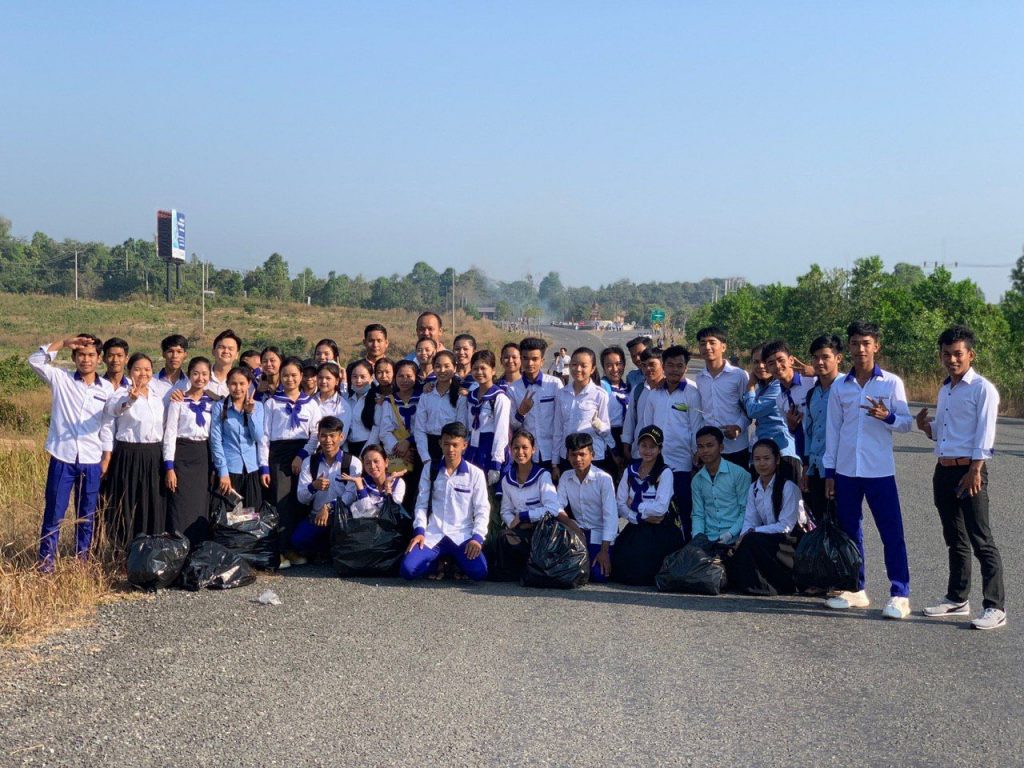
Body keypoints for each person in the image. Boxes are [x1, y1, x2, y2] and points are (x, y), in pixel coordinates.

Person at [917, 325, 1006, 630]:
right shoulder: (946, 389)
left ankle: (995, 606)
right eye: (946, 354)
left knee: (981, 539)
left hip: (970, 471)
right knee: (954, 538)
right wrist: (926, 428)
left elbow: (985, 433)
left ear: (971, 355)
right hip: (944, 469)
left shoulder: (982, 389)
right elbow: (944, 432)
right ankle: (957, 598)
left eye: (958, 354)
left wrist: (976, 470)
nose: (952, 359)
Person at [822, 321, 913, 619]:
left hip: (879, 470)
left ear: (876, 346)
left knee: (891, 532)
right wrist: (830, 473)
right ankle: (856, 588)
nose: (860, 349)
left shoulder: (891, 383)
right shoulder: (840, 386)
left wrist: (888, 417)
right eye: (855, 343)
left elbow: (906, 424)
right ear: (848, 347)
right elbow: (833, 430)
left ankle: (900, 593)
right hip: (847, 471)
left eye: (866, 343)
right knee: (850, 532)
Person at [28, 334, 114, 571]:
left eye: (91, 355)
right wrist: (64, 343)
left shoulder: (106, 389)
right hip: (62, 456)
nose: (86, 359)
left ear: (99, 359)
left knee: (86, 514)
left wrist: (107, 456)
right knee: (54, 512)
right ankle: (46, 563)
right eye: (81, 355)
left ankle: (81, 563)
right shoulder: (61, 379)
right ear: (74, 357)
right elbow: (35, 361)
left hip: (91, 458)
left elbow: (108, 424)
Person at [401, 421, 490, 581]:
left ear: (464, 445)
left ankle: (454, 561)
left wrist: (477, 538)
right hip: (434, 534)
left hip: (462, 535)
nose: (450, 449)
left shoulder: (475, 474)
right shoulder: (430, 469)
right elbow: (421, 504)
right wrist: (419, 532)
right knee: (408, 570)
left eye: (455, 445)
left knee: (479, 572)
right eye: (447, 444)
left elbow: (482, 509)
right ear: (440, 443)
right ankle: (438, 563)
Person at [259, 356, 323, 568]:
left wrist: (302, 456)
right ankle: (282, 550)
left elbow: (316, 434)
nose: (290, 379)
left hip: (303, 453)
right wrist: (264, 466)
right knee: (282, 503)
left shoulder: (311, 404)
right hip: (278, 455)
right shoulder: (272, 403)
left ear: (301, 376)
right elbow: (264, 436)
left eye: (294, 375)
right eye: (285, 375)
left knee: (301, 501)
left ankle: (299, 548)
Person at [726, 438, 809, 595]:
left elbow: (786, 526)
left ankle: (776, 585)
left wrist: (753, 532)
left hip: (791, 541)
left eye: (766, 458)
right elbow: (750, 520)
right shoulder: (754, 488)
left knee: (753, 540)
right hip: (768, 537)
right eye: (757, 459)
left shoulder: (788, 487)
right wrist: (742, 537)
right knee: (743, 544)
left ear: (777, 460)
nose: (762, 463)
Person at [103, 352, 168, 549]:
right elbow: (115, 410)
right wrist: (130, 400)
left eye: (147, 369)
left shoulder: (157, 398)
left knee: (151, 502)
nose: (143, 373)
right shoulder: (120, 394)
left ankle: (150, 550)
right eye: (138, 369)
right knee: (128, 503)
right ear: (129, 371)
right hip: (129, 454)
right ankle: (125, 551)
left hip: (153, 455)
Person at [639, 345, 702, 539]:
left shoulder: (692, 392)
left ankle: (683, 548)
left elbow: (696, 427)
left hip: (682, 463)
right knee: (656, 509)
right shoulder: (654, 394)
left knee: (682, 509)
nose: (675, 369)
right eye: (670, 365)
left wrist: (696, 457)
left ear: (686, 367)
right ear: (663, 366)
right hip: (657, 463)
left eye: (679, 365)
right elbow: (647, 427)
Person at [612, 425, 682, 584]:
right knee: (622, 565)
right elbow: (620, 503)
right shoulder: (630, 470)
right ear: (638, 447)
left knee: (649, 566)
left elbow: (660, 508)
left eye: (653, 447)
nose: (648, 451)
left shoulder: (665, 472)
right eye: (644, 446)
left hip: (659, 527)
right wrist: (637, 517)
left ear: (660, 449)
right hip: (637, 524)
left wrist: (636, 506)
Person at [491, 429, 561, 580]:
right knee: (503, 537)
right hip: (520, 531)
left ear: (533, 450)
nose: (520, 452)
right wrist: (514, 523)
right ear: (510, 450)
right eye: (516, 448)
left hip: (542, 532)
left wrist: (524, 516)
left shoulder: (543, 476)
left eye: (525, 447)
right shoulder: (507, 479)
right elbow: (506, 511)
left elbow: (553, 509)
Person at [292, 416, 362, 558]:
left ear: (341, 437)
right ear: (318, 437)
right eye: (323, 436)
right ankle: (325, 550)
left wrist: (329, 507)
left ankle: (327, 551)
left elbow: (351, 495)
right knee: (297, 540)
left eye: (332, 436)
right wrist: (313, 486)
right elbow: (301, 497)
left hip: (343, 519)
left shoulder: (352, 462)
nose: (328, 440)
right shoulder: (309, 462)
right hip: (317, 517)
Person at [162, 356, 215, 545]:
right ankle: (179, 546)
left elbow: (214, 435)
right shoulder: (178, 400)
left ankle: (198, 548)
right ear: (189, 375)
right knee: (180, 503)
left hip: (203, 455)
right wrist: (169, 467)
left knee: (200, 503)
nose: (200, 378)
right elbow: (170, 434)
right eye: (196, 373)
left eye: (204, 374)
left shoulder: (214, 402)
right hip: (182, 455)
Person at [556, 432, 617, 583]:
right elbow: (557, 507)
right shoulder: (566, 477)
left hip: (600, 535)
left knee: (598, 576)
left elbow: (611, 517)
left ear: (592, 455)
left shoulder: (604, 479)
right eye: (573, 455)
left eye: (582, 454)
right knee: (569, 573)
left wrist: (604, 551)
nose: (577, 459)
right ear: (568, 456)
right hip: (577, 534)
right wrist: (573, 526)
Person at [551, 347, 615, 480]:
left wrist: (598, 425)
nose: (578, 369)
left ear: (592, 369)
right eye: (574, 364)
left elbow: (606, 430)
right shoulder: (562, 394)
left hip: (593, 457)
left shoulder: (600, 395)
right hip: (568, 456)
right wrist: (555, 463)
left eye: (583, 366)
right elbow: (558, 430)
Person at [760, 339, 816, 483]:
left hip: (822, 451)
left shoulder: (811, 381)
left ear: (791, 360)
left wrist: (817, 372)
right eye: (771, 363)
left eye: (781, 360)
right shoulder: (780, 399)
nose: (777, 366)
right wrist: (791, 426)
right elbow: (792, 431)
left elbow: (839, 382)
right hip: (805, 456)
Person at [801, 334, 843, 521]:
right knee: (820, 521)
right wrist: (806, 467)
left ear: (838, 358)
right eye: (815, 357)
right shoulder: (812, 393)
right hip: (816, 468)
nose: (819, 362)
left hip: (840, 470)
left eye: (825, 357)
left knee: (843, 523)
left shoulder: (847, 389)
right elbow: (809, 433)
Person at [695, 327, 750, 468]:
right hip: (709, 450)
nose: (707, 347)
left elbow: (749, 409)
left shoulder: (739, 375)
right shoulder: (700, 378)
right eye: (703, 343)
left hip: (736, 446)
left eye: (712, 342)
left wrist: (738, 427)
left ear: (723, 347)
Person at [210, 366, 265, 508]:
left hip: (251, 468)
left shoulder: (258, 406)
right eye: (233, 384)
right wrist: (223, 472)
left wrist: (250, 413)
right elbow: (216, 441)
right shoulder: (219, 407)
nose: (238, 388)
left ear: (249, 384)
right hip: (229, 470)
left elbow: (258, 437)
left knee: (252, 514)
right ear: (227, 384)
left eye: (242, 383)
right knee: (228, 515)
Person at [741, 344, 798, 473]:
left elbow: (753, 411)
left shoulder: (779, 386)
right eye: (756, 362)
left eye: (765, 362)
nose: (761, 366)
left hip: (782, 452)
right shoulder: (762, 388)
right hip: (763, 452)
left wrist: (750, 386)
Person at [691, 426, 749, 550]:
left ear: (721, 447)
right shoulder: (697, 480)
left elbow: (746, 511)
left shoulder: (739, 474)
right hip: (708, 541)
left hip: (736, 541)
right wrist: (697, 538)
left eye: (710, 445)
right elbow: (698, 514)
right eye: (700, 447)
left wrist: (730, 534)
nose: (705, 450)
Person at [509, 337, 563, 472]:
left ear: (542, 361)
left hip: (552, 452)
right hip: (527, 455)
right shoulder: (513, 389)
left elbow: (561, 420)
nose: (530, 363)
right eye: (525, 358)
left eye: (534, 359)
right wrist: (521, 412)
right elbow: (512, 426)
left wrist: (556, 460)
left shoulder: (555, 384)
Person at [463, 350, 512, 490]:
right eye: (475, 368)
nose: (479, 372)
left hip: (489, 450)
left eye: (483, 368)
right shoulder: (470, 397)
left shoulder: (499, 398)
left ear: (493, 370)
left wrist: (496, 463)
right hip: (472, 450)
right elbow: (465, 427)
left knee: (489, 492)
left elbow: (501, 432)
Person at [378, 359, 422, 510]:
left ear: (416, 377)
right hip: (397, 456)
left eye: (409, 376)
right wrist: (399, 449)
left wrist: (409, 442)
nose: (404, 380)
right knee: (398, 492)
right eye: (400, 376)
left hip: (419, 452)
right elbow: (385, 431)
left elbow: (423, 425)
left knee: (417, 493)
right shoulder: (389, 401)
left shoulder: (423, 398)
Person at [413, 350, 465, 467]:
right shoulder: (426, 395)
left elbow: (461, 427)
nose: (442, 370)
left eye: (447, 366)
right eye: (437, 366)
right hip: (428, 447)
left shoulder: (460, 395)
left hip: (451, 447)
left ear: (454, 368)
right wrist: (425, 457)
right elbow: (419, 428)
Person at [340, 443, 406, 518]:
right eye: (367, 463)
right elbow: (367, 512)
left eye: (376, 461)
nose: (372, 466)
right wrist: (360, 488)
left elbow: (391, 510)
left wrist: (388, 485)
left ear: (386, 462)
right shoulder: (361, 483)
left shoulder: (398, 482)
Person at [621, 347, 664, 461]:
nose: (647, 369)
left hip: (663, 453)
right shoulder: (638, 390)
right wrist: (626, 444)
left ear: (663, 365)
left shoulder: (669, 391)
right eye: (644, 365)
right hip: (639, 452)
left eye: (652, 365)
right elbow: (630, 419)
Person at [599, 345, 630, 475]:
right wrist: (614, 452)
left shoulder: (628, 387)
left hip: (627, 437)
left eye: (618, 364)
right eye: (609, 365)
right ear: (603, 367)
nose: (615, 369)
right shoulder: (601, 388)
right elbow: (600, 424)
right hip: (608, 438)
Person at [344, 359, 377, 456]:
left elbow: (376, 429)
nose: (358, 380)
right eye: (354, 376)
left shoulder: (377, 399)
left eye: (363, 377)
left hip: (369, 447)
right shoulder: (347, 399)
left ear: (371, 378)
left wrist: (365, 452)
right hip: (348, 447)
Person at [315, 361, 350, 429]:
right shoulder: (310, 400)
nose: (323, 381)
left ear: (337, 381)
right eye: (320, 377)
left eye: (328, 378)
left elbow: (342, 432)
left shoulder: (343, 406)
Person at [208, 329, 241, 398]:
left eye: (230, 349)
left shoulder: (240, 381)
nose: (226, 351)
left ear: (237, 355)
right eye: (221, 347)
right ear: (213, 351)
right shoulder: (200, 377)